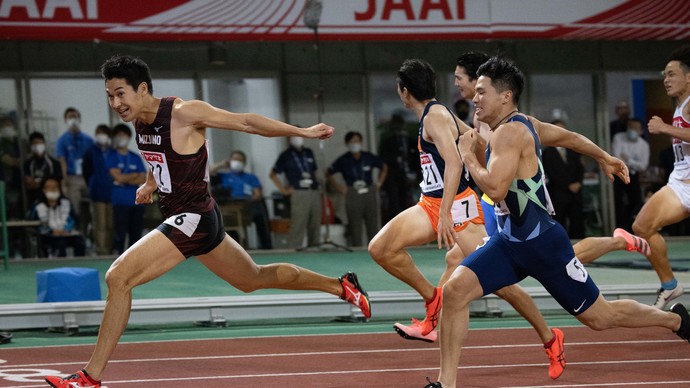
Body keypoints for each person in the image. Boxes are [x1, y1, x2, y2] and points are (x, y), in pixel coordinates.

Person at [44, 54, 370, 388]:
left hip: (194, 218)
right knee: (252, 279)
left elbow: (247, 122)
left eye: (120, 94)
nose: (115, 103)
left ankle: (89, 377)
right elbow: (160, 156)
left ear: (142, 89)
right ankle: (340, 285)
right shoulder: (140, 121)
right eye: (109, 96)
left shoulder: (185, 113)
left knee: (118, 278)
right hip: (198, 219)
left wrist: (302, 131)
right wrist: (151, 183)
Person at [428, 56, 690, 388]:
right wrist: (604, 156)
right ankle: (445, 383)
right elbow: (570, 138)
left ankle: (673, 319)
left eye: (481, 91)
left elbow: (495, 188)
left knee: (601, 318)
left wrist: (467, 155)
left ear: (505, 96)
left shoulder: (510, 133)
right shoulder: (525, 123)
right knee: (454, 293)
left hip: (544, 246)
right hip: (509, 244)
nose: (474, 98)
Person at [369, 59, 567, 379]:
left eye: (463, 79)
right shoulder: (439, 115)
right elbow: (477, 140)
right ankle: (433, 300)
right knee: (381, 248)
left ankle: (550, 337)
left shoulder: (435, 116)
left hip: (458, 205)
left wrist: (448, 210)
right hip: (430, 202)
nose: (462, 85)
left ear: (404, 92)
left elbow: (454, 163)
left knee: (497, 281)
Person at [454, 50, 649, 252]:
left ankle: (618, 241)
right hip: (500, 200)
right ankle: (618, 241)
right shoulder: (482, 119)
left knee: (554, 258)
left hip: (514, 201)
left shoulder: (517, 126)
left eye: (460, 78)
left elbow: (570, 138)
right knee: (469, 262)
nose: (457, 84)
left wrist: (604, 157)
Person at [632, 45, 690, 309]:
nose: (666, 80)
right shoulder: (679, 107)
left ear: (688, 77)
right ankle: (670, 285)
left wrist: (665, 128)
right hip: (679, 183)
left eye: (671, 74)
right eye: (664, 74)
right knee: (642, 226)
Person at [326, 131, 388, 247]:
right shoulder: (343, 160)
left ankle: (375, 249)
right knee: (355, 225)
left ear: (361, 142)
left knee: (373, 223)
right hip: (352, 192)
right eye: (352, 142)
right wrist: (339, 188)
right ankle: (357, 248)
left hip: (368, 190)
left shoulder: (368, 157)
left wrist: (379, 183)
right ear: (347, 143)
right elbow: (328, 173)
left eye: (357, 141)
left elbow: (384, 167)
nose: (355, 144)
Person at [210, 150, 273, 249]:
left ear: (244, 163)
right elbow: (208, 171)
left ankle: (266, 246)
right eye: (235, 159)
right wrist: (222, 164)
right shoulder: (223, 176)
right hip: (228, 205)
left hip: (247, 204)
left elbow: (257, 194)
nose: (237, 162)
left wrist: (248, 202)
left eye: (240, 160)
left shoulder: (250, 177)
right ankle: (233, 247)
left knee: (259, 213)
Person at [269, 136, 322, 249]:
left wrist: (318, 185)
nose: (297, 139)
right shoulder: (286, 155)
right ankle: (293, 250)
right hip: (298, 192)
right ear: (289, 139)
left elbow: (314, 171)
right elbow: (272, 174)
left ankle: (315, 249)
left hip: (313, 191)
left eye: (299, 136)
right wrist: (284, 191)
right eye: (294, 136)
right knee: (298, 225)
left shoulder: (308, 152)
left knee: (315, 224)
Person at [105, 124, 147, 254]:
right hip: (120, 201)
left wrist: (125, 177)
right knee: (120, 233)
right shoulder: (111, 156)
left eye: (124, 135)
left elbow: (143, 178)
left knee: (136, 234)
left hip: (136, 200)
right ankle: (118, 257)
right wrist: (133, 175)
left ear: (129, 137)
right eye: (119, 135)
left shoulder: (135, 157)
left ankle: (134, 258)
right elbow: (117, 177)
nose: (121, 137)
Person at [541, 119, 585, 239]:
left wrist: (578, 183)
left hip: (575, 194)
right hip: (558, 194)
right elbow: (550, 173)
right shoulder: (547, 153)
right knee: (560, 223)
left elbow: (580, 168)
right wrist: (567, 186)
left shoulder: (574, 150)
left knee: (577, 223)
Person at [29, 177, 85, 258]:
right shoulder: (38, 206)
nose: (52, 190)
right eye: (49, 187)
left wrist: (66, 230)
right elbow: (34, 224)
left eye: (55, 187)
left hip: (66, 233)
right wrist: (51, 231)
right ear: (43, 189)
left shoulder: (66, 203)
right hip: (48, 235)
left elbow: (75, 220)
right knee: (60, 243)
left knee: (79, 241)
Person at [378, 113, 419, 223]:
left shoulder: (409, 139)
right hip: (392, 176)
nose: (397, 126)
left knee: (408, 201)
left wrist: (416, 174)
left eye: (399, 124)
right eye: (395, 124)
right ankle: (396, 225)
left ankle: (410, 225)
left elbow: (416, 158)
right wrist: (397, 159)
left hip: (408, 175)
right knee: (394, 203)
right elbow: (383, 158)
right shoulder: (387, 141)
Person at [55, 107, 93, 219]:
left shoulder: (88, 140)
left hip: (87, 177)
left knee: (92, 208)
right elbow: (61, 161)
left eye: (75, 117)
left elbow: (92, 160)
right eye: (70, 117)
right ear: (65, 120)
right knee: (75, 207)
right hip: (72, 178)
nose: (73, 119)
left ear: (79, 119)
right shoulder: (62, 140)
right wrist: (64, 181)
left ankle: (89, 231)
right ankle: (77, 230)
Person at [612, 118, 649, 231]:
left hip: (634, 176)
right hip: (618, 174)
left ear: (641, 131)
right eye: (630, 127)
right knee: (617, 202)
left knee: (636, 202)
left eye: (635, 128)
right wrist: (632, 162)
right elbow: (616, 157)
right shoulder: (618, 138)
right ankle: (618, 228)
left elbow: (643, 165)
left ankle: (632, 228)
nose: (632, 130)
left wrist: (628, 160)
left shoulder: (644, 145)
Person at [82, 124, 114, 255]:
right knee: (100, 223)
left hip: (113, 193)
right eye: (99, 133)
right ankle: (101, 251)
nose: (101, 135)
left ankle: (110, 249)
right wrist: (92, 184)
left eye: (104, 133)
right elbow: (86, 172)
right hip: (97, 192)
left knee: (111, 224)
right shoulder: (90, 152)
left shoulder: (113, 151)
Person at [24, 131, 63, 206]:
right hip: (34, 200)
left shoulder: (54, 163)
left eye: (39, 143)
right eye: (34, 144)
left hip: (51, 199)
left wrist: (39, 183)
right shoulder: (28, 164)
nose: (37, 146)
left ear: (44, 144)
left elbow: (56, 182)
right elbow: (29, 184)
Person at [0, 116, 21, 219]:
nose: (7, 128)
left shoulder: (19, 142)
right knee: (9, 210)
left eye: (9, 125)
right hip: (7, 183)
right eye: (4, 126)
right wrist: (19, 161)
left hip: (19, 182)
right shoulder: (2, 144)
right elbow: (8, 160)